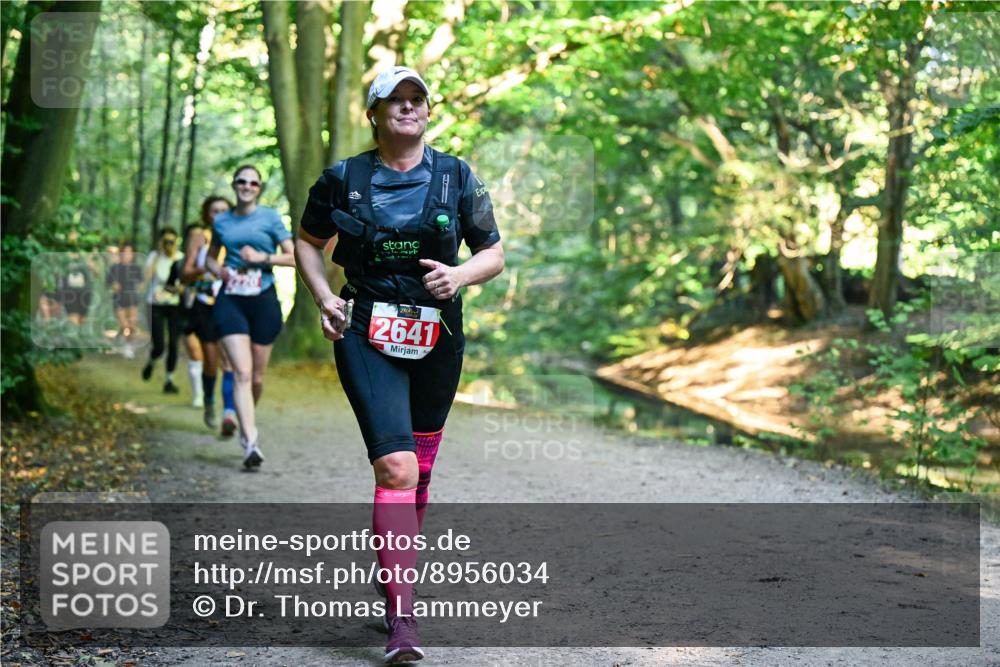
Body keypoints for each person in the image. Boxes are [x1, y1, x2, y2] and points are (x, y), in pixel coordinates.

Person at [294, 66, 504, 664]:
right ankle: (402, 616)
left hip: (438, 334)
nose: (407, 108)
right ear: (375, 113)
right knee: (396, 467)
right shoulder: (343, 179)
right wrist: (323, 297)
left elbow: (494, 253)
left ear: (429, 112)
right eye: (395, 100)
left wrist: (460, 274)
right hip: (366, 330)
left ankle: (393, 569)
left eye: (418, 100)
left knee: (421, 471)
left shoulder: (456, 175)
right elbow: (307, 241)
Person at [206, 166, 295, 468]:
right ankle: (250, 442)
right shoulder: (222, 220)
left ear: (258, 188)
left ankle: (247, 419)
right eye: (241, 182)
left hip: (263, 298)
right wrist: (215, 269)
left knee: (256, 377)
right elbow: (210, 256)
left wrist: (262, 258)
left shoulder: (270, 218)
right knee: (241, 372)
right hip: (230, 299)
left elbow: (294, 256)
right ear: (234, 185)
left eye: (252, 183)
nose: (246, 186)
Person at [181, 196, 238, 431]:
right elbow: (185, 273)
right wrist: (209, 266)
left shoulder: (237, 234)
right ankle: (209, 401)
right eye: (215, 211)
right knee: (212, 361)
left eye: (224, 210)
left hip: (231, 300)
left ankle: (228, 413)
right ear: (207, 214)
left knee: (229, 360)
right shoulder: (199, 238)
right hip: (204, 303)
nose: (219, 214)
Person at [142, 228, 183, 393]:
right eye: (166, 241)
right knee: (159, 345)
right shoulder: (154, 257)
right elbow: (146, 278)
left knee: (174, 343)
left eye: (172, 241)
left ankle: (169, 380)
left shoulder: (181, 258)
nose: (169, 245)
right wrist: (159, 256)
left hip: (174, 305)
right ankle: (151, 362)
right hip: (155, 303)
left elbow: (185, 281)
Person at [106, 241, 143, 357]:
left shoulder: (136, 268)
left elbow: (141, 282)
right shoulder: (115, 268)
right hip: (119, 299)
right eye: (125, 252)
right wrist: (114, 285)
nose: (127, 255)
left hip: (132, 299)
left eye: (129, 252)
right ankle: (123, 344)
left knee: (132, 325)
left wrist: (138, 289)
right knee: (125, 324)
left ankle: (124, 342)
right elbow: (108, 282)